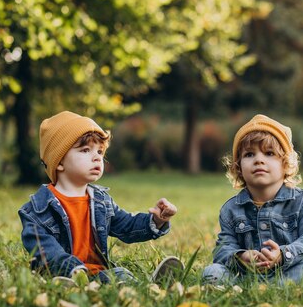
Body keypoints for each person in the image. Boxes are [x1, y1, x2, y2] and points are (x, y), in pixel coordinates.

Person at [18, 111, 183, 285]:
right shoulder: (38, 208)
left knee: (119, 274)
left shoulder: (100, 201)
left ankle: (150, 286)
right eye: (85, 150)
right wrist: (73, 269)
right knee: (114, 278)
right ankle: (136, 287)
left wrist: (156, 220)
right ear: (58, 161)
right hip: (63, 275)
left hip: (98, 274)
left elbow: (126, 226)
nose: (97, 157)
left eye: (100, 151)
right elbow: (43, 247)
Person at [202, 114, 303, 285]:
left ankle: (270, 287)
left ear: (285, 164)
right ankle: (258, 286)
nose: (259, 160)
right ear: (238, 167)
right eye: (249, 155)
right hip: (246, 275)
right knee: (212, 272)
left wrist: (284, 255)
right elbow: (222, 250)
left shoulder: (301, 201)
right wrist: (241, 257)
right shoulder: (230, 209)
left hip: (289, 271)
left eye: (269, 153)